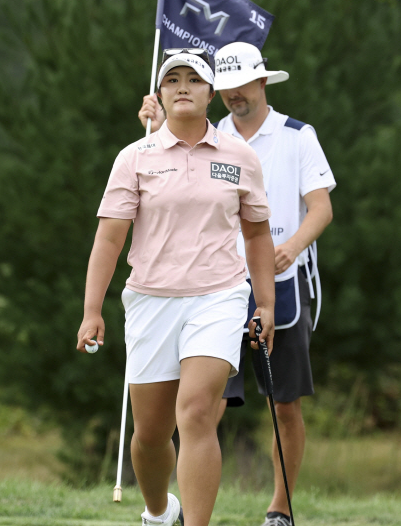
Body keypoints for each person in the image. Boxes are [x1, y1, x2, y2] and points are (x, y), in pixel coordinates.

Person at [138, 42, 335, 526]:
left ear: (263, 81)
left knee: (283, 403)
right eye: (224, 87)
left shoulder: (296, 136)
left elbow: (322, 207)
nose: (232, 95)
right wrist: (156, 124)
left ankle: (280, 508)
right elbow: (163, 172)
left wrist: (288, 249)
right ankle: (194, 512)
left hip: (284, 281)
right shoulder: (212, 131)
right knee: (205, 407)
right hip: (217, 287)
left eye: (242, 84)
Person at [77, 49, 276, 526]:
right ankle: (159, 511)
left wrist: (264, 303)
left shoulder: (240, 156)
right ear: (160, 94)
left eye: (194, 80)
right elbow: (109, 237)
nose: (183, 86)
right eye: (174, 80)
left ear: (211, 93)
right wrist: (92, 310)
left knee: (197, 414)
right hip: (150, 301)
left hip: (219, 297)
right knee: (149, 435)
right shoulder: (136, 156)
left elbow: (257, 233)